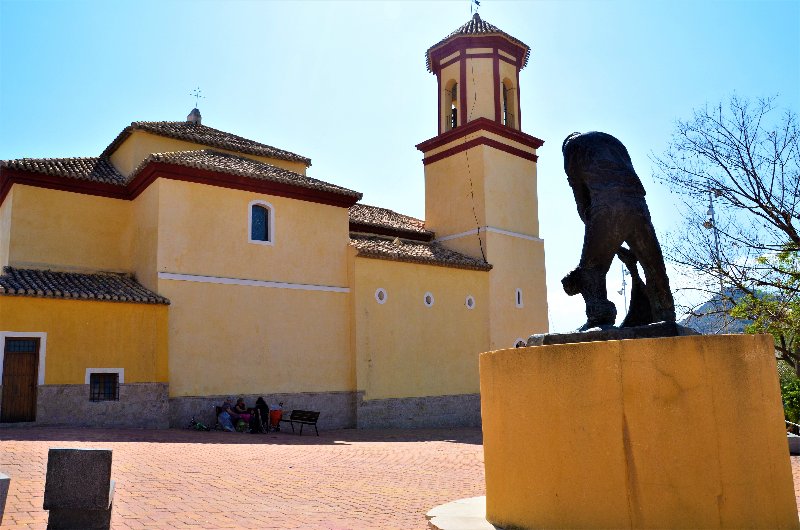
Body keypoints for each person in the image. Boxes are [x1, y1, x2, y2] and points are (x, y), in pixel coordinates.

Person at [561, 131, 675, 331]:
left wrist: (597, 233)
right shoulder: (613, 142)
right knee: (653, 265)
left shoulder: (572, 147)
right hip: (639, 204)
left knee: (591, 268)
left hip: (606, 203)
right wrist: (615, 243)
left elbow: (580, 194)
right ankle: (665, 313)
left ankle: (599, 316)